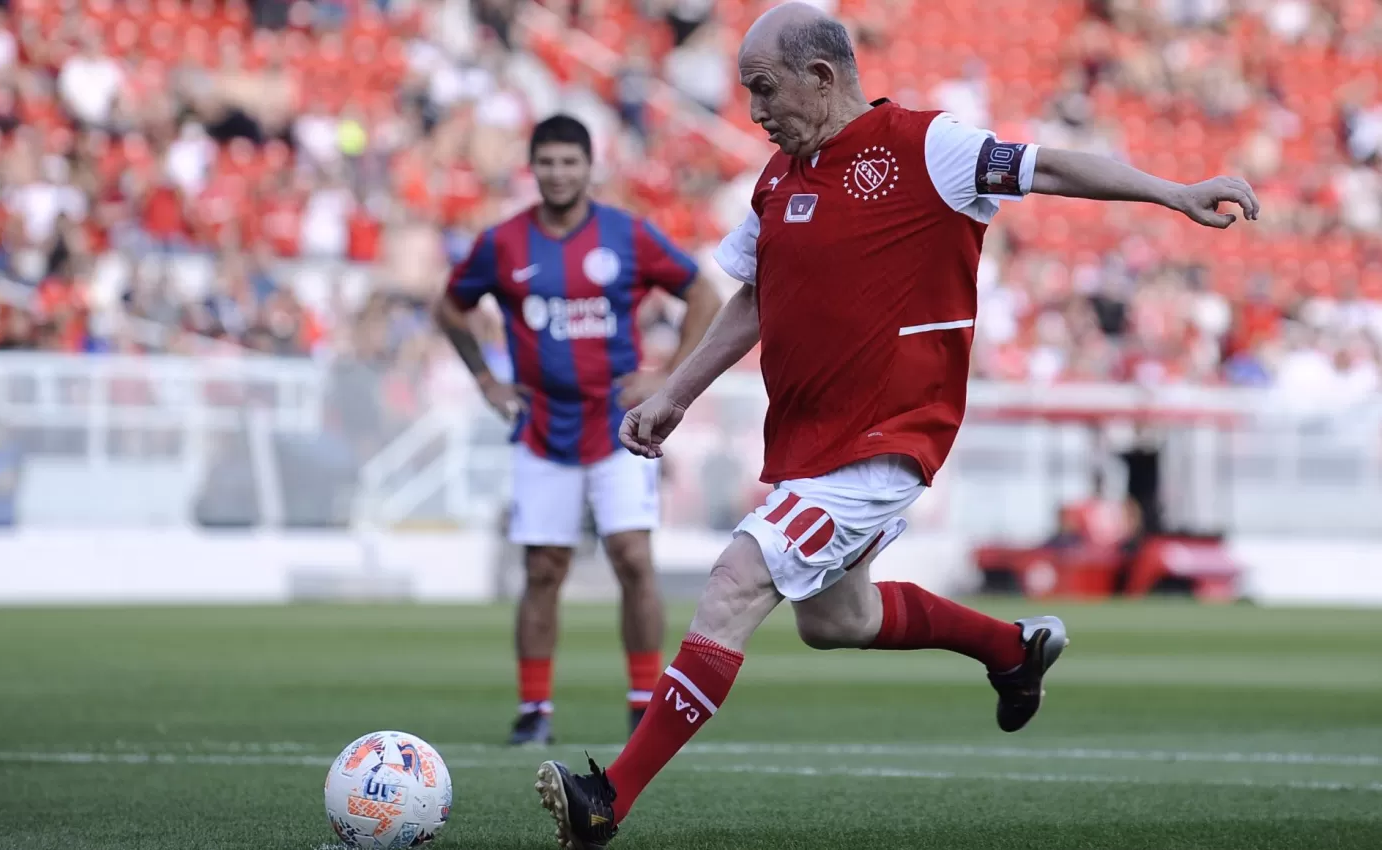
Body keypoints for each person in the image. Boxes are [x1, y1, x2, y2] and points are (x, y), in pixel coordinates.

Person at [533, 4, 1259, 846]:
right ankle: (1011, 649)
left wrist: (1172, 192)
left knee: (735, 580)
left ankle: (606, 801)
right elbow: (753, 297)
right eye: (745, 94)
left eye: (764, 90)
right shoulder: (776, 179)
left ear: (822, 76)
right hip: (809, 447)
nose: (755, 112)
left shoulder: (926, 146)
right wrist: (674, 396)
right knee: (836, 621)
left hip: (886, 443)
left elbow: (1051, 166)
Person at [435, 115, 722, 745]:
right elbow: (449, 307)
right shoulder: (503, 243)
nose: (559, 173)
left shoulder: (627, 235)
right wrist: (487, 380)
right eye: (547, 162)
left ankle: (645, 705)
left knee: (633, 560)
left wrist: (667, 377)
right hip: (541, 426)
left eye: (570, 162)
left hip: (619, 427)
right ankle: (535, 711)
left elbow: (702, 295)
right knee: (543, 569)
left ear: (590, 167)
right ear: (531, 168)